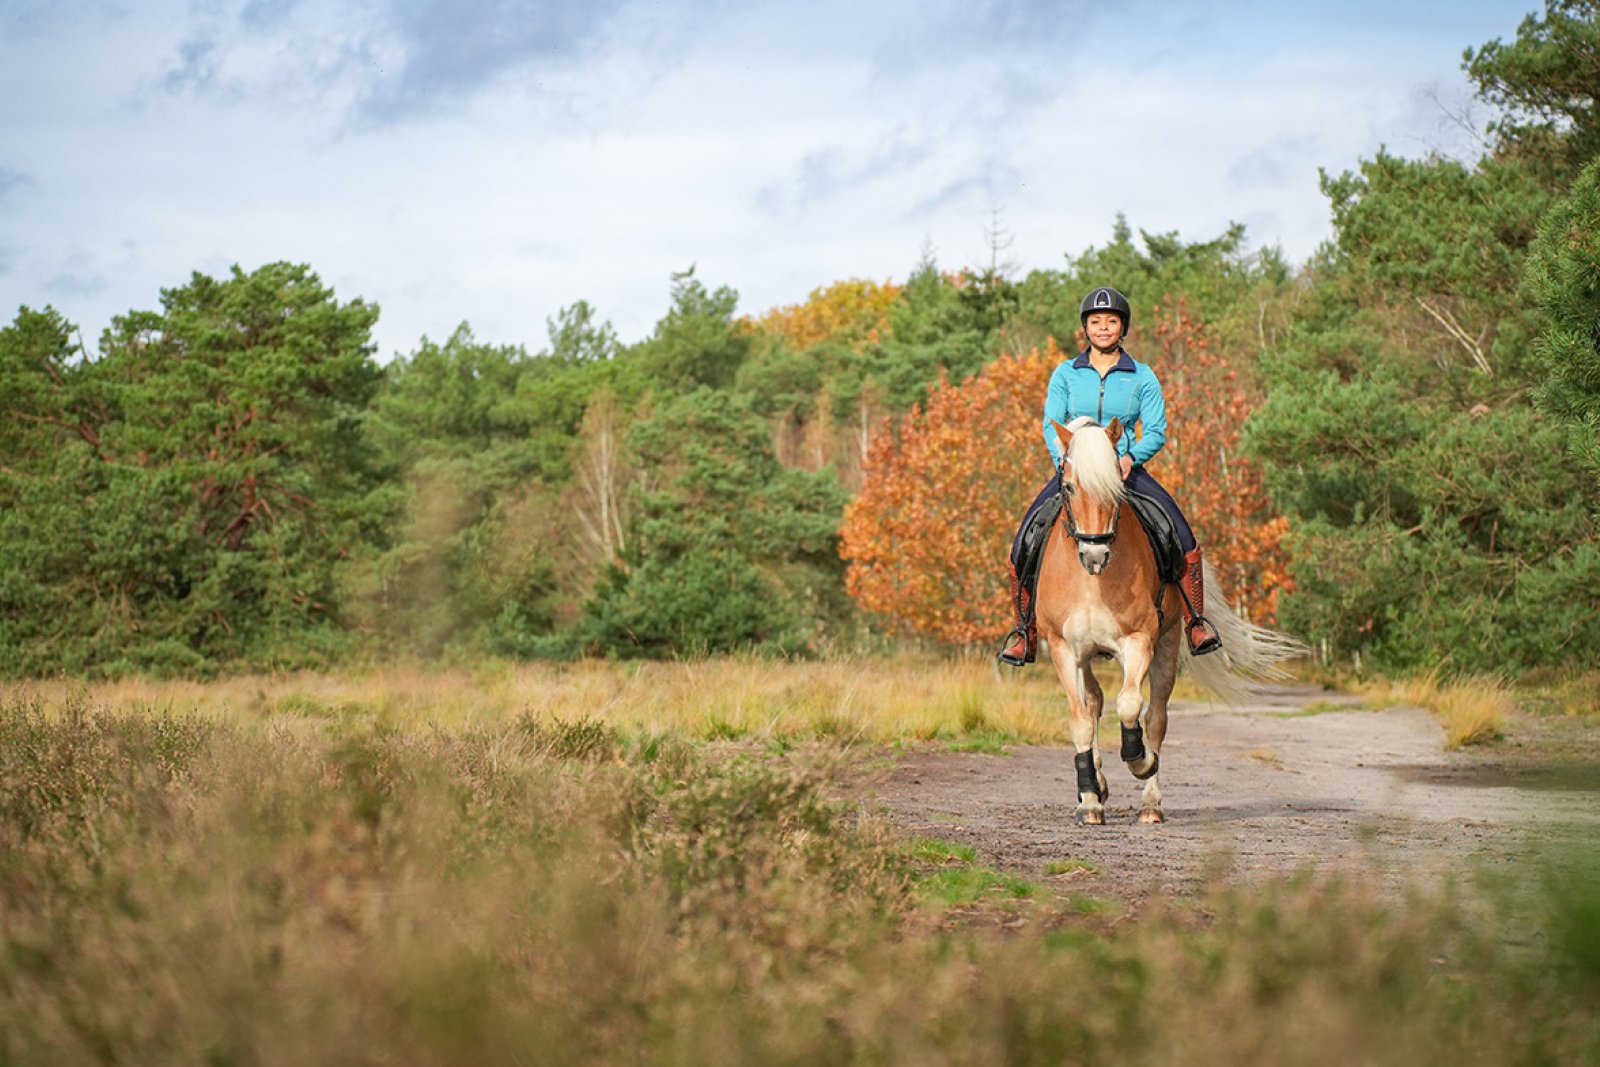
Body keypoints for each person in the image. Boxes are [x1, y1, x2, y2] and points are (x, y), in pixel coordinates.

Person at [997, 286, 1221, 666]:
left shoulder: (1142, 377)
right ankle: (1025, 631)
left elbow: (1155, 430)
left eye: (1111, 321)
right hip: (1077, 471)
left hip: (1122, 470)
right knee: (1024, 540)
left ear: (1123, 328)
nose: (1103, 328)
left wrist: (1130, 458)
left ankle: (1196, 622)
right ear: (1086, 327)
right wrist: (1068, 461)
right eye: (1096, 321)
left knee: (1181, 535)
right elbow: (1051, 425)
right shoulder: (1066, 374)